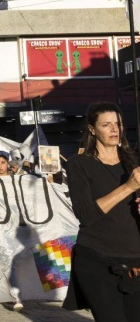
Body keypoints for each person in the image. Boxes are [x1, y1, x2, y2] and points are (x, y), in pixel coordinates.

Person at [63, 102, 140, 321]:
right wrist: (127, 187)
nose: (114, 129)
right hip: (97, 260)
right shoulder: (79, 164)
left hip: (135, 258)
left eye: (118, 124)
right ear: (92, 129)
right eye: (106, 125)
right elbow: (85, 214)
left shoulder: (134, 163)